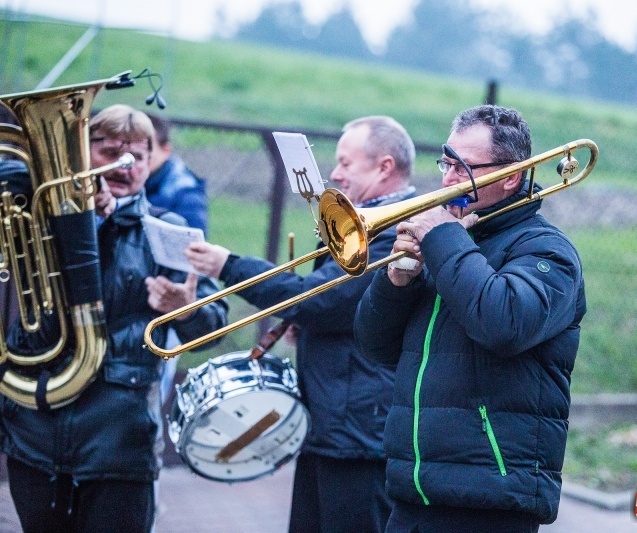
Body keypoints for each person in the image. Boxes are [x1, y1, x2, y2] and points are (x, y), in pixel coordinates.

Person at [353, 104, 586, 532]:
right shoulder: (449, 244)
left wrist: (444, 241)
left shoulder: (547, 252)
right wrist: (397, 278)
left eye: (462, 168)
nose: (447, 179)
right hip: (413, 492)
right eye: (446, 163)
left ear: (510, 176)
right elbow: (374, 347)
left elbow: (503, 324)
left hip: (489, 498)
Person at [0, 104, 228, 533]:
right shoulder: (40, 213)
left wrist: (185, 306)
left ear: (150, 164)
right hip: (36, 430)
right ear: (81, 155)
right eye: (109, 151)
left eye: (138, 155)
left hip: (119, 440)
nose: (126, 164)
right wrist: (81, 215)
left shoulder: (166, 228)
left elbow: (215, 322)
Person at [185, 115, 416, 533]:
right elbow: (334, 307)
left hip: (359, 431)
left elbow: (322, 301)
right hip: (334, 421)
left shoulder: (392, 230)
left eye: (346, 163)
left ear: (384, 167)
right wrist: (305, 322)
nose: (335, 173)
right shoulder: (359, 221)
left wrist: (230, 266)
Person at [145, 113, 210, 406]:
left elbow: (193, 257)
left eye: (146, 150)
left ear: (165, 149)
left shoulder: (184, 192)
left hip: (164, 308)